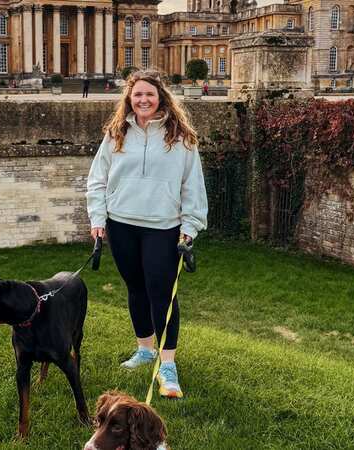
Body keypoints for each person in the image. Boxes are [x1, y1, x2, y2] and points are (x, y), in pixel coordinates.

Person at [86, 70, 208, 399]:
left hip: (163, 227)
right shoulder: (116, 134)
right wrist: (98, 218)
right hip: (121, 224)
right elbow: (97, 179)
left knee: (162, 292)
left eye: (149, 95)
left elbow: (192, 186)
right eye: (137, 95)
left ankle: (167, 364)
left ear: (161, 98)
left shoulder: (182, 137)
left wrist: (190, 227)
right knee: (136, 288)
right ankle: (145, 349)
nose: (143, 100)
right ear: (129, 98)